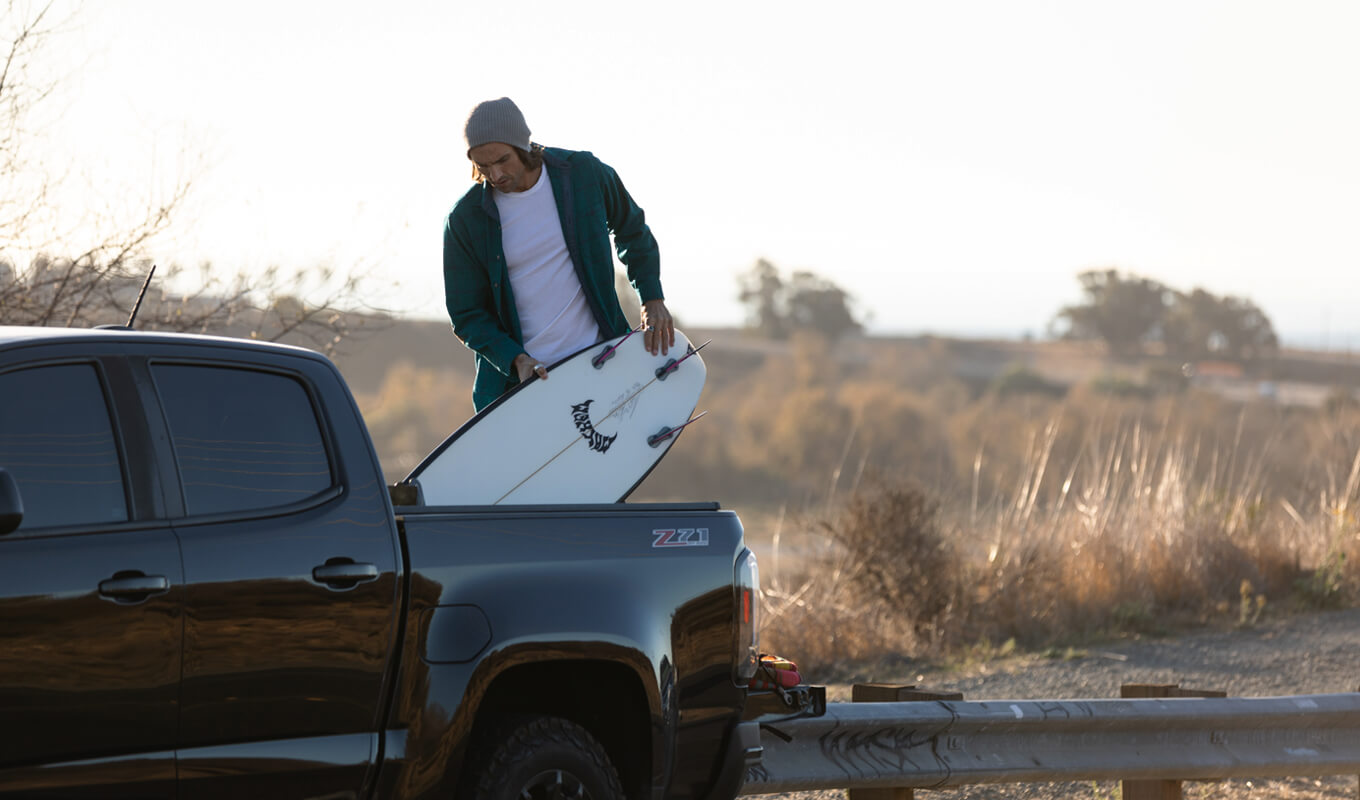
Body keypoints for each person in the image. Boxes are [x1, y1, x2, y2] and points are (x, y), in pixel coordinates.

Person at [443, 97, 675, 411]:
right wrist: (517, 361)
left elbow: (632, 229)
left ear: (522, 146)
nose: (495, 175)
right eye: (483, 166)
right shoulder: (465, 219)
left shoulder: (583, 174)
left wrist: (652, 299)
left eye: (502, 160)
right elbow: (467, 314)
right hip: (523, 387)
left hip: (602, 363)